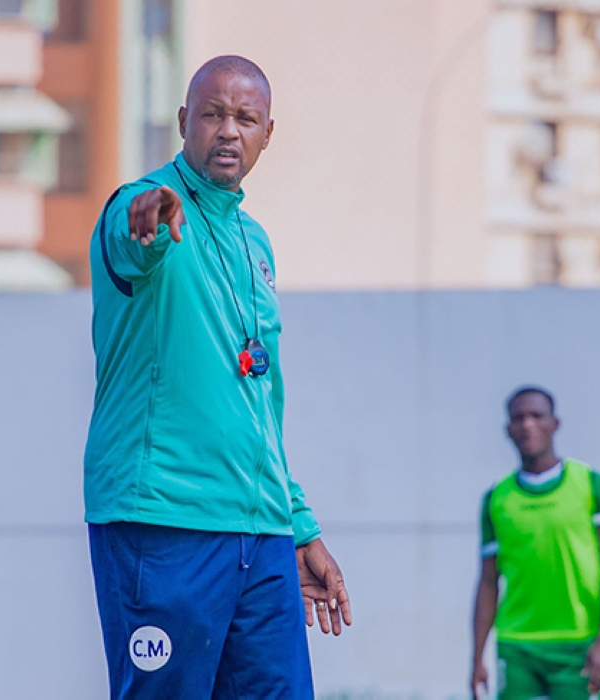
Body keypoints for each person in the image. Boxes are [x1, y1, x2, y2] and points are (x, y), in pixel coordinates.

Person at [83, 55, 351, 698]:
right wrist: (144, 219)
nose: (229, 130)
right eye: (212, 114)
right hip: (164, 518)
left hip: (259, 533)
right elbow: (132, 240)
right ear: (183, 121)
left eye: (246, 118)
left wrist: (298, 524)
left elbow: (261, 405)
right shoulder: (145, 206)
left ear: (267, 133)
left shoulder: (254, 243)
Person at [471, 386, 600, 700]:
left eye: (536, 415)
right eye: (519, 418)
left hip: (577, 643)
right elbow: (488, 582)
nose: (527, 424)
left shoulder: (592, 486)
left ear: (554, 424)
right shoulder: (496, 500)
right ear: (508, 430)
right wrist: (476, 658)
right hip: (517, 645)